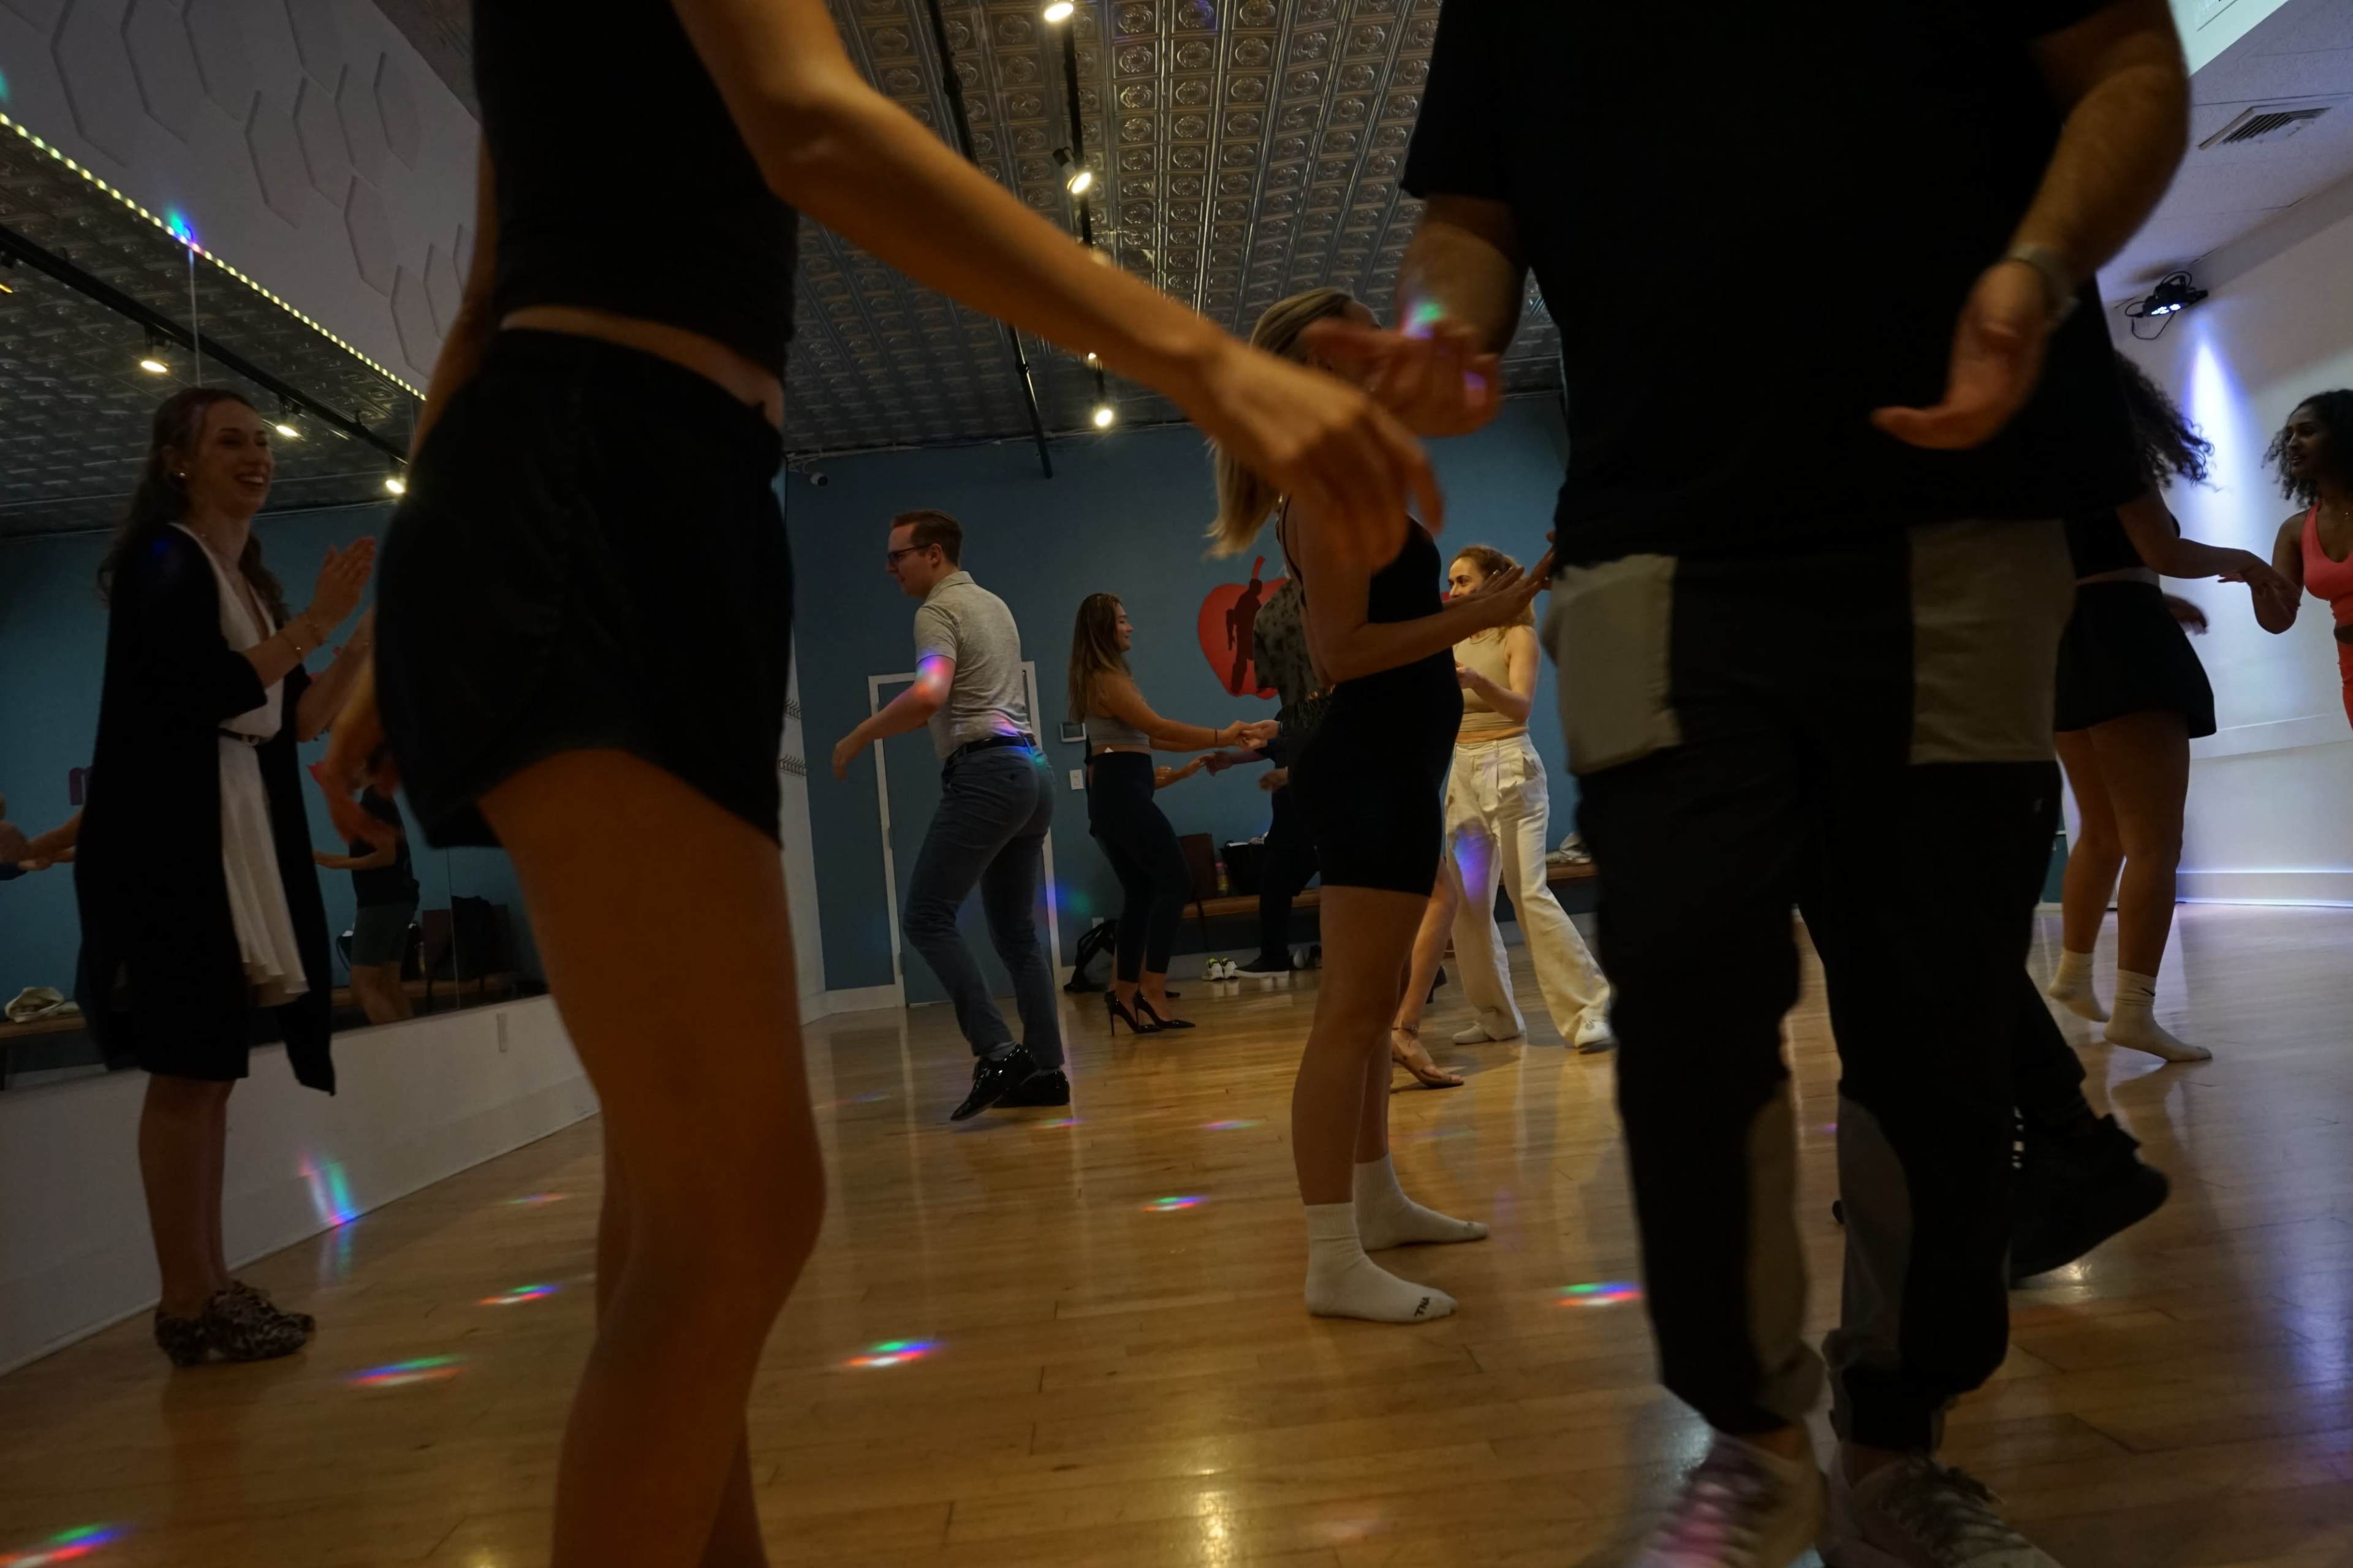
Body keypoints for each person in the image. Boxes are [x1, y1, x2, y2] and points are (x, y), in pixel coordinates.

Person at [319, 3, 1452, 1556]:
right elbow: (809, 117)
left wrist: (407, 584)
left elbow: (487, 287)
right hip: (611, 482)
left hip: (624, 483)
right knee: (735, 1211)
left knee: (680, 1202)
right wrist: (1199, 359)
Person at [1318, 0, 2191, 1558]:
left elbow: (2127, 66)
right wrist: (1444, 338)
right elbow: (1470, 219)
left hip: (1959, 532)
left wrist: (2037, 266)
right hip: (1653, 554)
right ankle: (1748, 1441)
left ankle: (1894, 1447)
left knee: (1934, 1025)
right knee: (1688, 1010)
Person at [1211, 287, 1547, 1326]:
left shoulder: (1346, 476)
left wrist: (1481, 609)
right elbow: (1341, 654)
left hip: (1393, 764)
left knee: (1361, 1018)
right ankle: (1331, 1253)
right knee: (1351, 1015)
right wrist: (1482, 612)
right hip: (1363, 765)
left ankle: (1377, 1199)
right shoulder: (1319, 485)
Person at [76, 387, 374, 1367]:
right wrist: (318, 623)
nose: (257, 456)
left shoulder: (240, 577)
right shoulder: (168, 560)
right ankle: (184, 1299)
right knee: (188, 1067)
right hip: (179, 842)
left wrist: (354, 638)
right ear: (178, 461)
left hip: (232, 825)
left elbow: (295, 720)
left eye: (263, 442)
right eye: (231, 441)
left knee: (210, 1072)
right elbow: (205, 691)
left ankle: (208, 1283)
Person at [2042, 356, 2294, 1062]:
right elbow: (2162, 545)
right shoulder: (2108, 450)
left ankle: (2071, 977)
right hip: (2126, 645)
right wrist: (2245, 559)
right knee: (2154, 840)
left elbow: (2086, 567)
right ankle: (2134, 1010)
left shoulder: (2036, 467)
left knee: (2101, 830)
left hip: (2068, 640)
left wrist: (2146, 592)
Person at [830, 510, 1066, 1118]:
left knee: (926, 917)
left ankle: (996, 1051)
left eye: (897, 555)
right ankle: (1045, 1070)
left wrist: (859, 735)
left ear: (934, 555)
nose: (889, 568)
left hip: (987, 771)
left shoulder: (936, 611)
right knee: (1016, 933)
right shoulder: (995, 605)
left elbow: (932, 694)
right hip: (1031, 772)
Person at [1390, 545, 1615, 1076]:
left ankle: (1590, 1009)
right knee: (1468, 902)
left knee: (1529, 891)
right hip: (1464, 770)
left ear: (1494, 581)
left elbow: (1520, 707)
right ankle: (1495, 1014)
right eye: (1452, 582)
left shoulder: (1519, 635)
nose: (1455, 590)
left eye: (1464, 581)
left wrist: (1477, 681)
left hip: (1512, 766)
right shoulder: (1451, 637)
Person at [1066, 592, 1273, 1034]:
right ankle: (1151, 989)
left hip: (1120, 793)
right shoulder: (1105, 678)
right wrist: (1223, 730)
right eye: (1123, 620)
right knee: (1176, 882)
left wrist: (1222, 742)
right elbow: (1158, 728)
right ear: (1104, 628)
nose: (1130, 627)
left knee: (1142, 892)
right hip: (1121, 794)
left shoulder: (1107, 678)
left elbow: (1154, 741)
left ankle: (1124, 995)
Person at [1207, 573, 1324, 978]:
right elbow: (1275, 741)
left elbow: (1335, 745)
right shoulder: (1295, 701)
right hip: (1291, 820)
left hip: (1322, 816)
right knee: (1274, 881)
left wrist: (1293, 773)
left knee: (1351, 889)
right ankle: (1274, 957)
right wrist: (1228, 758)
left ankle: (1422, 971)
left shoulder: (1326, 689)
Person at [2263, 389, 2353, 729]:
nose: (2292, 443)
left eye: (2307, 431)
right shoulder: (2295, 530)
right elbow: (2277, 622)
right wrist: (2260, 581)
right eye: (2288, 436)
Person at [313, 756, 420, 1028]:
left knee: (362, 987)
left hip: (380, 903)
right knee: (389, 982)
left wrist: (335, 862)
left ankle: (397, 1048)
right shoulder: (382, 800)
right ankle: (415, 1049)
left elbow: (386, 856)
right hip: (401, 900)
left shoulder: (374, 800)